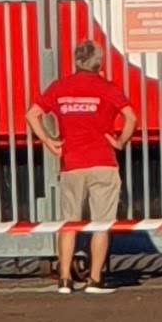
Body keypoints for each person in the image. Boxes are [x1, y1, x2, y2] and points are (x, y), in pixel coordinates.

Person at [29, 45, 137, 295]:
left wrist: (48, 141)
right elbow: (131, 117)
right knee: (101, 224)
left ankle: (65, 280)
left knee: (69, 223)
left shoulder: (60, 87)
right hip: (103, 163)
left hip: (72, 164)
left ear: (76, 61)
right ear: (99, 63)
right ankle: (95, 280)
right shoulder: (108, 88)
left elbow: (32, 114)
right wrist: (121, 141)